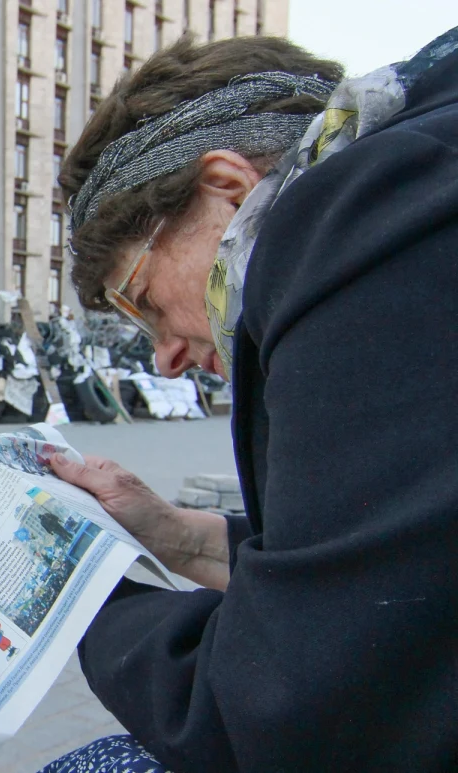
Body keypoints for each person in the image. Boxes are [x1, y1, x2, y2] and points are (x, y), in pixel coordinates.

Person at [36, 28, 458, 773]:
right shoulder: (423, 179)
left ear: (227, 189)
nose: (164, 352)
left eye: (142, 302)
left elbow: (280, 719)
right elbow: (397, 565)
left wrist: (72, 588)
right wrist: (177, 535)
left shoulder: (363, 231)